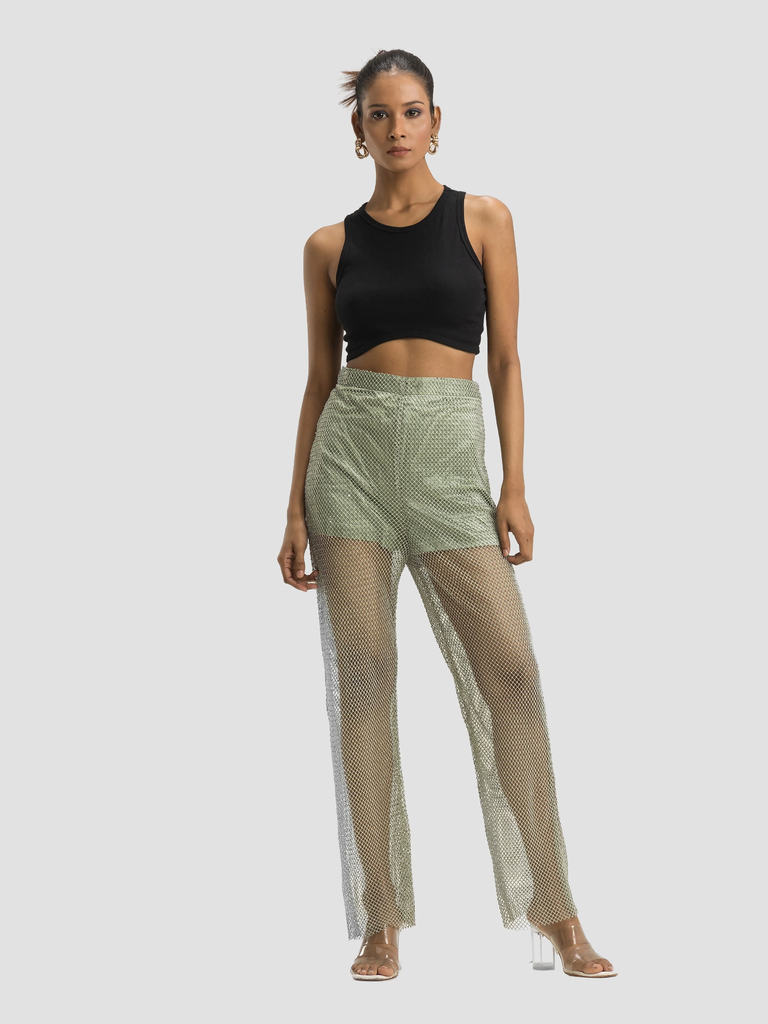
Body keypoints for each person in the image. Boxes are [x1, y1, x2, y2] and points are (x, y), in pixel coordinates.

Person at [277, 48, 617, 982]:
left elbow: (505, 360)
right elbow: (316, 381)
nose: (397, 128)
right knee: (365, 679)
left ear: (437, 120)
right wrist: (294, 506)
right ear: (359, 131)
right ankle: (379, 919)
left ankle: (555, 908)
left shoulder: (485, 218)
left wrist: (515, 484)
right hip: (348, 464)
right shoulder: (328, 246)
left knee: (512, 672)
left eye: (412, 111)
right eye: (379, 114)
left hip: (449, 461)